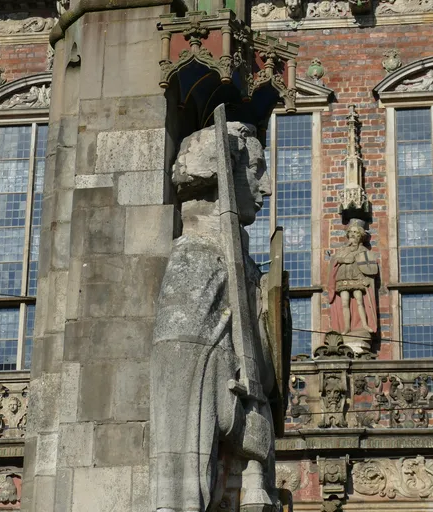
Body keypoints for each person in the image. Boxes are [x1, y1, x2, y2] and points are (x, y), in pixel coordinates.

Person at [151, 121, 280, 512]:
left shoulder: (242, 263)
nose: (267, 186)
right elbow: (184, 392)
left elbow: (256, 372)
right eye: (256, 170)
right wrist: (242, 427)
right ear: (223, 171)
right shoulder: (197, 258)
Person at [327, 219, 377, 336]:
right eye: (352, 232)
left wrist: (366, 279)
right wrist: (345, 257)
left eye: (356, 233)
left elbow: (367, 265)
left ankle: (364, 324)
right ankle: (347, 327)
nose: (353, 235)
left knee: (360, 301)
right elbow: (335, 260)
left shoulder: (363, 250)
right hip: (343, 277)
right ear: (348, 234)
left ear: (360, 236)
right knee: (344, 303)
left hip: (356, 277)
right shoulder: (343, 250)